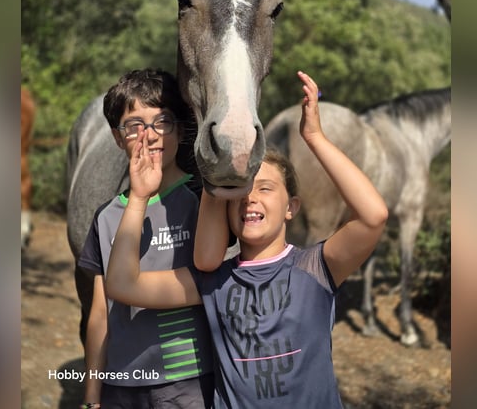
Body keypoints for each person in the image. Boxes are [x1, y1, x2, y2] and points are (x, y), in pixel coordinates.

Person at [105, 70, 389, 408]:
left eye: (265, 188)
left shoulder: (315, 270)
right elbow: (123, 284)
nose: (250, 198)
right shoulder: (213, 284)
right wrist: (139, 198)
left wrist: (314, 138)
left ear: (291, 207)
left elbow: (374, 216)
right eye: (239, 193)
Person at [77, 69, 214, 409]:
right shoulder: (106, 216)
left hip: (186, 382)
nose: (149, 136)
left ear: (180, 131)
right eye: (134, 125)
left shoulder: (201, 201)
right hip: (121, 384)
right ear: (117, 137)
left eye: (161, 122)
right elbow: (99, 313)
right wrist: (92, 393)